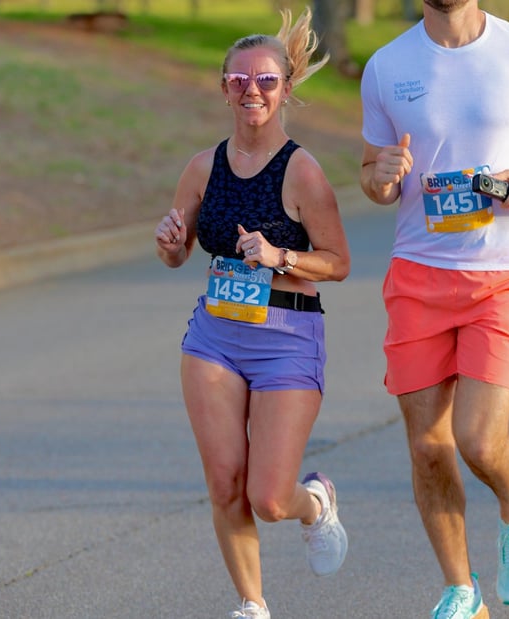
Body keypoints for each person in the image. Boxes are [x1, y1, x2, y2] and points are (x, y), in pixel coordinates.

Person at [359, 2, 509, 618]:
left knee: (479, 440)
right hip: (417, 275)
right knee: (427, 446)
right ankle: (461, 591)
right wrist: (380, 176)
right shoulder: (388, 67)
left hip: (502, 274)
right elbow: (373, 176)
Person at [155, 8, 350, 618]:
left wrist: (279, 254)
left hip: (288, 337)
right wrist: (168, 243)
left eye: (265, 80)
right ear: (224, 89)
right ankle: (252, 604)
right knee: (224, 482)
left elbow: (338, 262)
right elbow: (178, 251)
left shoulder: (303, 172)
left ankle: (314, 504)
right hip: (214, 335)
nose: (252, 91)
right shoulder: (202, 167)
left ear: (286, 88)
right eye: (239, 81)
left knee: (268, 496)